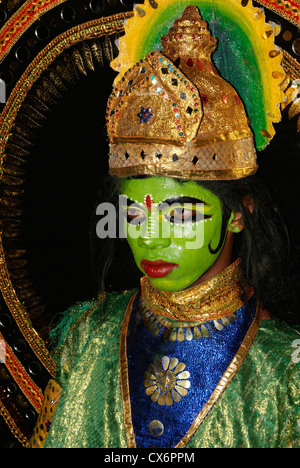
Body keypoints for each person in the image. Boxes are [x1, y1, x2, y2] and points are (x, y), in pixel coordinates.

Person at [29, 5, 299, 448]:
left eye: (180, 215)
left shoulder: (285, 373)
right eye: (134, 214)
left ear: (238, 212)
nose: (151, 237)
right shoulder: (90, 334)